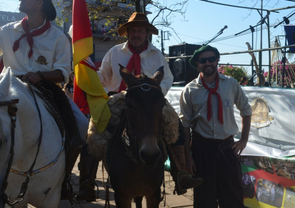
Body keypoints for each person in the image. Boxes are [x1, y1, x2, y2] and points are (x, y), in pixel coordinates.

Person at [76, 12, 202, 201]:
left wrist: (156, 94)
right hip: (119, 99)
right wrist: (88, 77)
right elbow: (104, 75)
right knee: (94, 131)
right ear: (127, 33)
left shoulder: (156, 54)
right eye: (132, 30)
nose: (136, 34)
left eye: (140, 30)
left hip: (150, 100)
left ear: (146, 33)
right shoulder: (115, 52)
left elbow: (167, 79)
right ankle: (87, 182)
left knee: (174, 127)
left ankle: (180, 174)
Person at [0, 0, 88, 199]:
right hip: (9, 88)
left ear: (40, 3)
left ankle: (64, 177)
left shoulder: (58, 37)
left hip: (45, 89)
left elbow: (62, 72)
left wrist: (40, 76)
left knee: (82, 124)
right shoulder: (5, 32)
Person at [179, 45, 252, 208]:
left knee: (232, 196)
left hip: (227, 148)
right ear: (197, 64)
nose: (208, 63)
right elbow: (185, 126)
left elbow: (246, 110)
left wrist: (244, 140)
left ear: (217, 61)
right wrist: (188, 157)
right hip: (202, 149)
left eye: (211, 59)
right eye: (203, 60)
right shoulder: (189, 90)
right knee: (204, 198)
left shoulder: (230, 84)